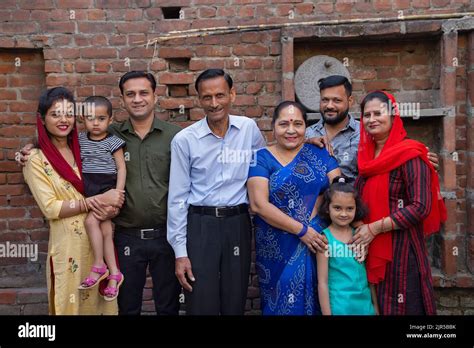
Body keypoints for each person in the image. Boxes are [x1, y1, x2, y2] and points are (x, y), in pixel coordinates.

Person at [18, 71, 182, 315]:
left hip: (159, 235)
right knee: (123, 306)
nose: (137, 99)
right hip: (113, 237)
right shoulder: (103, 134)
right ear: (122, 100)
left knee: (165, 305)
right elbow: (55, 156)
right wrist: (29, 147)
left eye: (144, 93)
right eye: (130, 94)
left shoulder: (174, 136)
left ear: (155, 97)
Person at [167, 69, 266, 315]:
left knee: (235, 299)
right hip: (201, 225)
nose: (214, 103)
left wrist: (306, 142)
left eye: (220, 95)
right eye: (207, 97)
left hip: (238, 224)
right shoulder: (185, 140)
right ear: (199, 99)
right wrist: (180, 253)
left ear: (232, 94)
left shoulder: (248, 129)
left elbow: (265, 167)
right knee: (200, 300)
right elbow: (177, 198)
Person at [22, 87, 123, 314]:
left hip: (97, 245)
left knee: (101, 307)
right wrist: (97, 201)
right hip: (68, 249)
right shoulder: (36, 159)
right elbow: (51, 208)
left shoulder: (82, 146)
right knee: (71, 306)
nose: (63, 119)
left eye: (68, 113)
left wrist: (111, 204)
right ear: (43, 118)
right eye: (55, 114)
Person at [351, 91, 447, 315]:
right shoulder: (367, 157)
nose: (372, 119)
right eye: (367, 115)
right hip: (369, 246)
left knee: (405, 306)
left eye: (378, 113)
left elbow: (420, 206)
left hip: (403, 248)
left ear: (394, 115)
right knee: (379, 306)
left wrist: (374, 228)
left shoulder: (411, 153)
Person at [247, 100, 341, 315]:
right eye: (284, 124)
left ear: (306, 128)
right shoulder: (261, 158)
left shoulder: (319, 154)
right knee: (281, 299)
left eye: (298, 124)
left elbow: (341, 191)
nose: (291, 130)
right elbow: (259, 204)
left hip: (319, 242)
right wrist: (302, 230)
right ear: (273, 127)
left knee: (322, 296)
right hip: (277, 245)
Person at [305, 75, 440, 178]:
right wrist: (306, 143)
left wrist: (418, 157)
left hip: (356, 211)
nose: (329, 106)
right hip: (312, 210)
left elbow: (394, 153)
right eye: (325, 100)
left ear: (350, 100)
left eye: (336, 100)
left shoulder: (367, 133)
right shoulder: (306, 135)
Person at [77, 96, 126, 302]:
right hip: (90, 188)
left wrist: (118, 194)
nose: (95, 123)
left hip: (107, 188)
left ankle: (99, 265)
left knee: (90, 221)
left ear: (110, 120)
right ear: (82, 119)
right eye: (90, 118)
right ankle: (114, 273)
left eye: (101, 118)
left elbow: (122, 167)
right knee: (106, 230)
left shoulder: (113, 142)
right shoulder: (79, 139)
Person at [316, 176, 378, 315]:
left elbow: (370, 278)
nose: (344, 214)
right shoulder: (325, 239)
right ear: (327, 208)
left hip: (365, 307)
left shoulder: (360, 237)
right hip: (339, 307)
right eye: (337, 208)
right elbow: (323, 283)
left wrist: (376, 308)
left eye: (349, 208)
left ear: (357, 209)